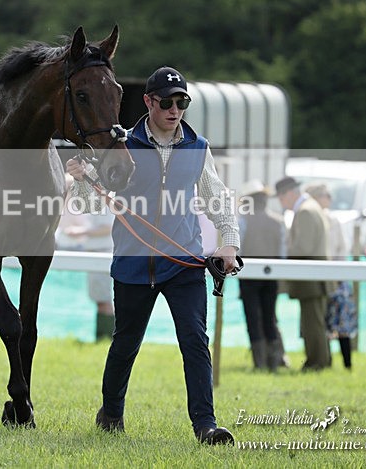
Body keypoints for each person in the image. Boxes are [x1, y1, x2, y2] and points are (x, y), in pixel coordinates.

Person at [67, 66, 239, 445]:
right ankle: (111, 413)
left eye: (182, 102)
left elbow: (219, 201)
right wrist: (81, 178)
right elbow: (87, 205)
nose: (175, 109)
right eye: (166, 102)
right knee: (126, 343)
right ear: (148, 102)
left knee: (194, 339)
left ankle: (206, 426)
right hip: (133, 265)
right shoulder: (122, 146)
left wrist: (229, 242)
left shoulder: (199, 147)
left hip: (184, 264)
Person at [275, 176, 332, 371]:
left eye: (281, 199)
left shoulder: (306, 211)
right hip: (315, 276)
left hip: (311, 276)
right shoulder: (310, 207)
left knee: (312, 323)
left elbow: (304, 247)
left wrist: (284, 252)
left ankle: (317, 362)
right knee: (314, 321)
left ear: (289, 193)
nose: (282, 204)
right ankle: (320, 360)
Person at [56, 174, 115, 339]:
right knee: (101, 299)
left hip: (102, 253)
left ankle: (106, 338)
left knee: (104, 300)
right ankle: (104, 339)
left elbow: (108, 227)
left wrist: (81, 232)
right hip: (94, 252)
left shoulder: (104, 199)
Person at [237, 179, 288, 371]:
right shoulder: (279, 222)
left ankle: (259, 362)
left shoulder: (243, 221)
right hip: (271, 275)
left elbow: (238, 249)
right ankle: (273, 360)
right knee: (270, 317)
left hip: (248, 274)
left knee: (253, 317)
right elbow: (282, 253)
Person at [305, 183, 357, 370]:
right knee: (323, 322)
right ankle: (325, 361)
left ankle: (347, 364)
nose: (329, 198)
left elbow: (341, 250)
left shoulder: (333, 221)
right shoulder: (313, 218)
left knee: (342, 325)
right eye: (325, 195)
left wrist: (337, 273)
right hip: (322, 278)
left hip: (337, 278)